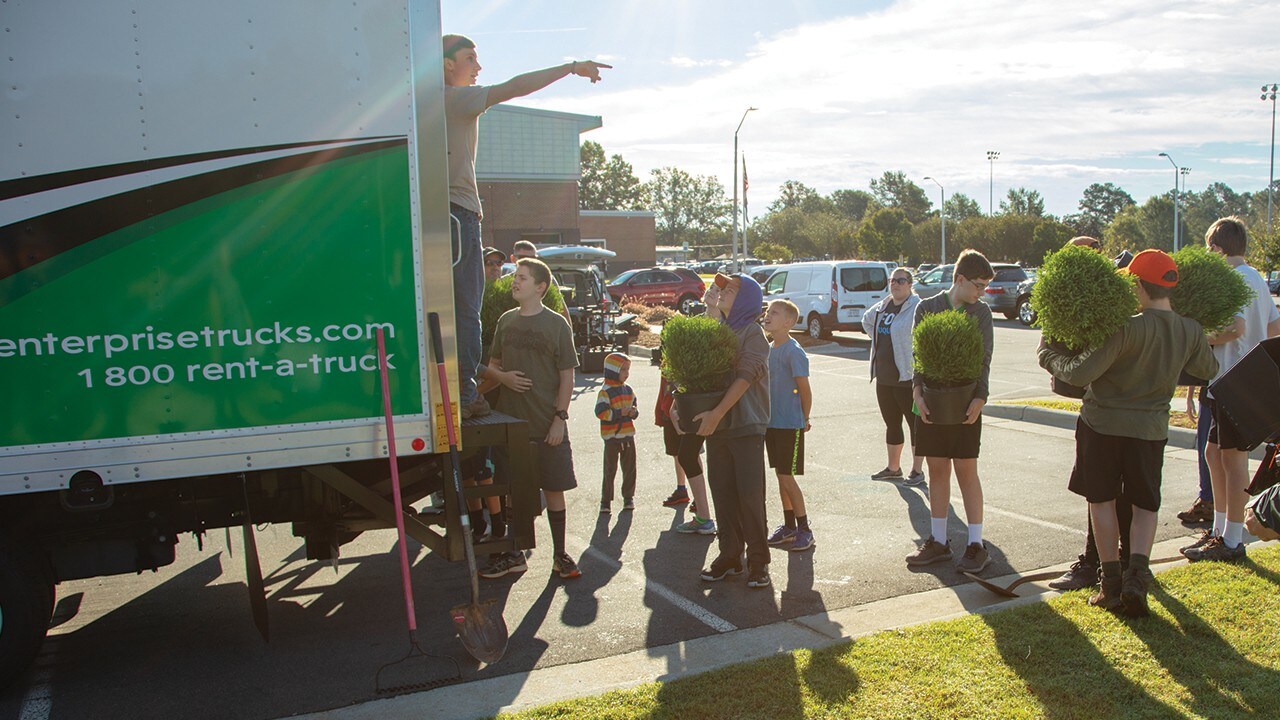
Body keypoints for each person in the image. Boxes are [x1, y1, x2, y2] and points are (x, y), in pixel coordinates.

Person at [1040, 249, 1217, 616]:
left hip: (1102, 426)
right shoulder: (1190, 329)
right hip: (1151, 430)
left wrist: (1047, 355)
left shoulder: (1126, 326)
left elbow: (1078, 374)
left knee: (1101, 500)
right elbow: (1207, 368)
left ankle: (1111, 585)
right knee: (1145, 504)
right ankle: (1138, 577)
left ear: (1137, 284)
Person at [443, 33, 610, 419]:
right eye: (471, 59)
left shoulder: (428, 105)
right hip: (460, 211)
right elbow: (513, 87)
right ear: (448, 64)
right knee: (467, 309)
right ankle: (466, 394)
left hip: (446, 213)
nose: (478, 68)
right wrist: (570, 68)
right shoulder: (454, 99)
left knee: (454, 308)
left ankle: (457, 387)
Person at [1184, 217, 1280, 562]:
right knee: (1214, 454)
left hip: (1234, 378)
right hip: (1233, 378)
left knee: (1233, 458)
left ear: (1217, 248)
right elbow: (1273, 326)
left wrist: (1199, 338)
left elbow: (1235, 328)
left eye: (1209, 248)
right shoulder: (1255, 277)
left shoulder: (1235, 279)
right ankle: (1219, 531)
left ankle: (1232, 541)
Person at [482, 257, 584, 580]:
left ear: (540, 287)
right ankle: (515, 554)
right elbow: (493, 365)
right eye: (516, 277)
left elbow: (567, 377)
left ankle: (560, 556)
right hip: (512, 426)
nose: (515, 282)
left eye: (522, 278)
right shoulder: (505, 322)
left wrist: (560, 419)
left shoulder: (557, 325)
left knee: (554, 489)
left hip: (547, 425)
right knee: (513, 490)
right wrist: (504, 378)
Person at [906, 249, 995, 574]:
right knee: (937, 469)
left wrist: (979, 399)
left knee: (966, 470)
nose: (981, 292)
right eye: (978, 285)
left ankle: (976, 545)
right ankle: (939, 542)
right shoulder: (927, 308)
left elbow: (984, 360)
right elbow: (919, 357)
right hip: (930, 402)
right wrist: (918, 392)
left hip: (966, 404)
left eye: (985, 286)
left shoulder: (981, 313)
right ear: (959, 279)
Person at [693, 274, 772, 589]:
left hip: (746, 427)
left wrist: (716, 413)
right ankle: (729, 557)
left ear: (746, 299)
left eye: (732, 289)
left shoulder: (753, 333)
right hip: (718, 428)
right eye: (722, 287)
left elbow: (745, 376)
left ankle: (758, 562)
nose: (723, 291)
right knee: (723, 494)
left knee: (751, 497)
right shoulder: (718, 330)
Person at [862, 267, 925, 486]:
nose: (895, 284)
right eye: (892, 280)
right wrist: (877, 339)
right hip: (884, 377)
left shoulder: (916, 306)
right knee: (892, 423)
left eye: (900, 280)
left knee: (914, 424)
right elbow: (866, 320)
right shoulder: (884, 305)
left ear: (910, 284)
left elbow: (922, 333)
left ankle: (917, 471)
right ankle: (893, 467)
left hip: (906, 377)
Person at [760, 299, 815, 551]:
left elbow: (804, 389)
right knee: (781, 476)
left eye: (775, 313)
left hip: (790, 424)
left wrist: (804, 418)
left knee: (787, 476)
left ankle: (805, 529)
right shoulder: (768, 348)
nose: (768, 315)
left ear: (788, 322)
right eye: (768, 311)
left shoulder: (794, 351)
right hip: (771, 424)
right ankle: (788, 526)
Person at [596, 353, 638, 514]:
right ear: (613, 371)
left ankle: (628, 497)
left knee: (630, 469)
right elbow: (601, 413)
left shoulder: (628, 390)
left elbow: (635, 408)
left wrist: (633, 412)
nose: (627, 373)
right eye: (623, 370)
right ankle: (605, 501)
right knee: (609, 470)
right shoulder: (605, 392)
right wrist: (619, 412)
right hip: (612, 438)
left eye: (628, 369)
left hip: (628, 436)